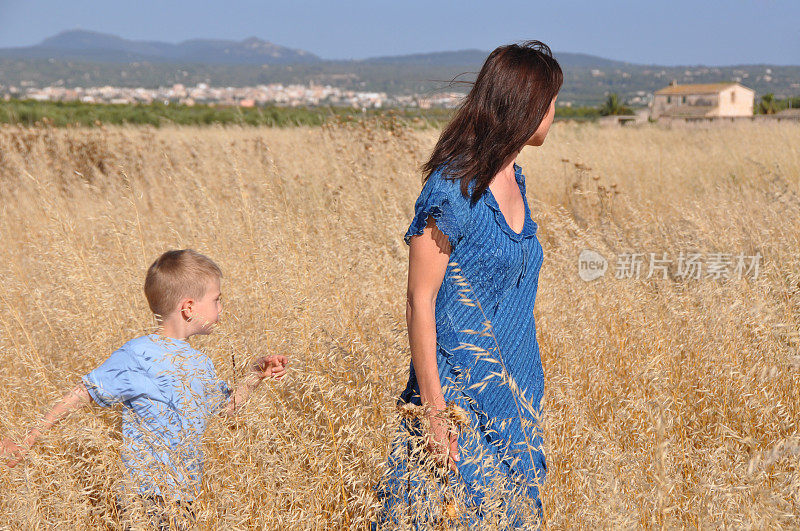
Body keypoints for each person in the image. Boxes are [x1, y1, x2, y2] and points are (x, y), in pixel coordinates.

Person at [375, 41, 562, 528]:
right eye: (551, 100)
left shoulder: (514, 179)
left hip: (517, 392)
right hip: (458, 397)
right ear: (525, 106)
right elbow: (420, 301)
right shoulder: (452, 188)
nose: (555, 113)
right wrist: (435, 414)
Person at [0, 249, 288, 528]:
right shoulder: (139, 354)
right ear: (188, 307)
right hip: (145, 495)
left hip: (184, 495)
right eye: (216, 300)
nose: (221, 307)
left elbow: (226, 410)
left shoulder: (201, 363)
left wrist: (255, 376)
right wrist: (28, 441)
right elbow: (83, 392)